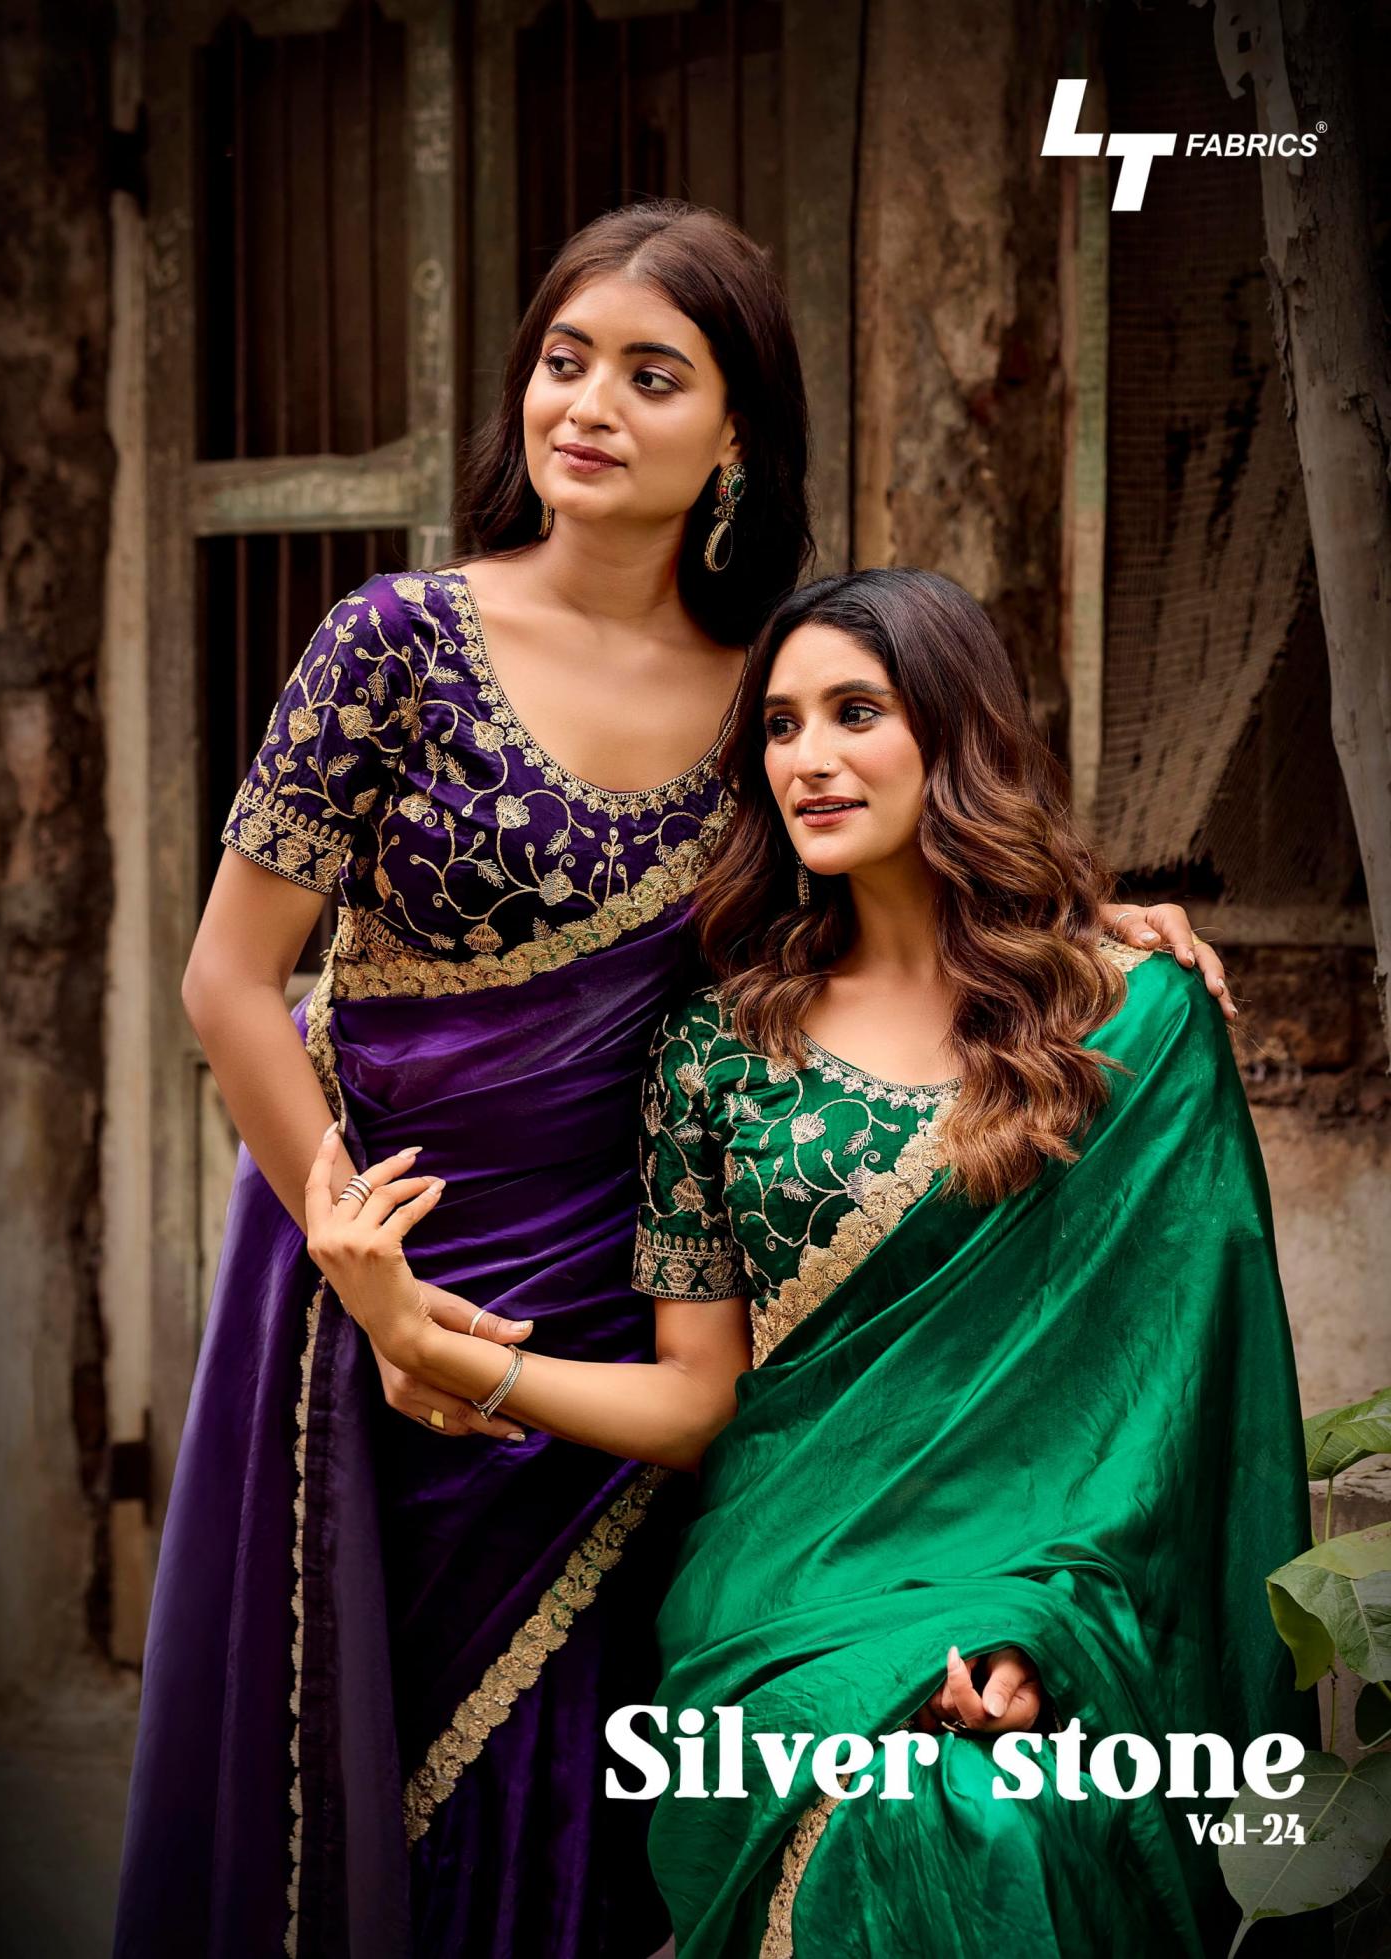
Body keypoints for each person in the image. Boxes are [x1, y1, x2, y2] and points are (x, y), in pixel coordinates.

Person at [115, 192, 1227, 1959]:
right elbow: (230, 981)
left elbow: (901, 862)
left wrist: (1095, 922)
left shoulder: (766, 695)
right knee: (352, 1765)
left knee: (580, 1774)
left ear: (734, 437)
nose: (589, 406)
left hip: (636, 1294)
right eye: (565, 361)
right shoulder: (391, 643)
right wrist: (363, 1269)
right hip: (372, 1259)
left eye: (652, 376)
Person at [308, 568, 1311, 1959]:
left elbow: (1170, 1410)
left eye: (856, 712)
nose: (809, 759)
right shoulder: (718, 1047)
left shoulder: (1135, 1025)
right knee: (906, 1814)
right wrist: (424, 1340)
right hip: (787, 1596)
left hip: (1067, 1601)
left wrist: (1035, 1625)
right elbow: (696, 1400)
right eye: (780, 726)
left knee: (1000, 1818)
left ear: (957, 733)